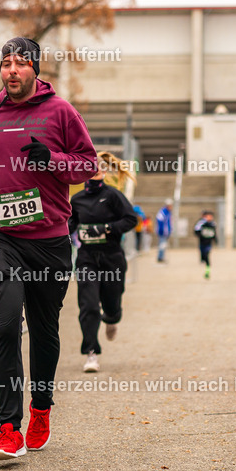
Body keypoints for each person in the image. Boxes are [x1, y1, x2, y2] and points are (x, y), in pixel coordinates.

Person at [0, 36, 98, 460]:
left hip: (49, 240)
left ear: (35, 70)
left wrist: (53, 161)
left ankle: (40, 409)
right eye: (5, 63)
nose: (12, 70)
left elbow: (88, 164)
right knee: (4, 326)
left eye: (21, 63)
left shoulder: (60, 111)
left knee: (44, 332)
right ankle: (9, 428)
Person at [68, 154, 138, 372]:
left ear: (104, 173)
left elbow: (131, 219)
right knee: (88, 305)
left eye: (99, 168)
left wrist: (107, 228)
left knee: (112, 304)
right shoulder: (77, 200)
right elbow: (70, 224)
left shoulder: (113, 196)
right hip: (87, 259)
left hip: (112, 258)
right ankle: (91, 352)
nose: (95, 170)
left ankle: (112, 318)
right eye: (91, 168)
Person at [194, 210, 217, 279]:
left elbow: (214, 233)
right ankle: (202, 259)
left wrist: (215, 239)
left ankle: (207, 270)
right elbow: (196, 230)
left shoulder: (213, 224)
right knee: (202, 253)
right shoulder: (201, 223)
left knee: (207, 255)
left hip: (208, 243)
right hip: (202, 242)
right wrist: (199, 234)